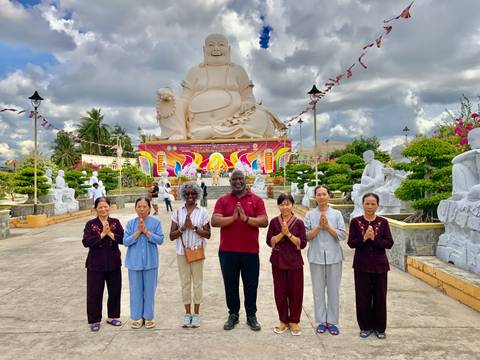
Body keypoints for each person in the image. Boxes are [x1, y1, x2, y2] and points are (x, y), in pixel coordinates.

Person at [156, 33, 283, 140]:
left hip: (233, 123)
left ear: (229, 49)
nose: (216, 48)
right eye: (211, 45)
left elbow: (249, 98)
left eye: (221, 45)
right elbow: (185, 100)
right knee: (168, 102)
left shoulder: (238, 70)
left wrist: (247, 103)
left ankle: (212, 132)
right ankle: (184, 133)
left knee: (260, 118)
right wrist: (169, 97)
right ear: (204, 50)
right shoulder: (194, 71)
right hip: (197, 125)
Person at [211, 170, 268, 331]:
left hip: (250, 251)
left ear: (245, 180)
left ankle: (251, 315)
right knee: (230, 284)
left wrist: (246, 219)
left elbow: (264, 221)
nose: (237, 182)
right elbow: (214, 220)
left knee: (251, 285)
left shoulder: (255, 200)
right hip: (228, 251)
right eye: (234, 179)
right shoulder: (223, 200)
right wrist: (233, 218)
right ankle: (233, 314)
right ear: (230, 182)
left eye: (240, 179)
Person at [347, 193, 394, 339]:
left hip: (380, 266)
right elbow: (351, 243)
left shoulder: (383, 222)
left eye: (373, 204)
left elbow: (389, 243)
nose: (370, 206)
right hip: (361, 266)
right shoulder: (355, 222)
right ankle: (365, 327)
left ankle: (380, 328)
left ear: (377, 205)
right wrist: (364, 238)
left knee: (380, 297)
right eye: (367, 203)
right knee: (363, 297)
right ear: (362, 204)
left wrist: (374, 239)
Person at [304, 185, 346, 336]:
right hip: (316, 257)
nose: (321, 197)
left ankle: (332, 321)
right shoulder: (309, 215)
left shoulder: (337, 214)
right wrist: (319, 227)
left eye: (324, 194)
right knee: (318, 291)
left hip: (334, 257)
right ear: (315, 197)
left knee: (334, 290)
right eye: (318, 194)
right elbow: (306, 236)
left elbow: (342, 235)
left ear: (329, 196)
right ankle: (322, 321)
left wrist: (327, 227)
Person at [169, 183, 211, 328]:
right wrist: (182, 228)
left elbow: (208, 234)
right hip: (182, 252)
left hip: (197, 251)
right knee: (185, 283)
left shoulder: (203, 212)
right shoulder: (177, 212)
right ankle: (187, 313)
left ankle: (197, 314)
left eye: (193, 193)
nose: (190, 196)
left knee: (198, 282)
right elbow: (171, 236)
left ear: (198, 194)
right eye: (187, 194)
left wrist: (193, 227)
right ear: (183, 195)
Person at [266, 193, 307, 336]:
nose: (285, 207)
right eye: (282, 204)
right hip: (278, 261)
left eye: (288, 204)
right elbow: (268, 241)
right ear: (278, 206)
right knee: (280, 292)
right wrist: (281, 234)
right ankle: (283, 320)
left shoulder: (299, 223)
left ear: (292, 205)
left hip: (294, 262)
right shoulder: (274, 222)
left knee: (296, 292)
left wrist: (288, 234)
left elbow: (302, 244)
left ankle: (294, 321)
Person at [82, 197, 124, 332]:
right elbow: (86, 242)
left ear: (110, 207)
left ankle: (112, 316)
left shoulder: (115, 222)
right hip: (95, 264)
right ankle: (94, 320)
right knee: (94, 293)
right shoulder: (90, 224)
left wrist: (110, 234)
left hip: (113, 263)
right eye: (100, 207)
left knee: (115, 290)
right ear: (95, 209)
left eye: (105, 206)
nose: (103, 209)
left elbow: (123, 239)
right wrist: (101, 235)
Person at [123, 197, 164, 329]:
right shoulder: (130, 224)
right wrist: (138, 232)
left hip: (151, 262)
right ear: (135, 208)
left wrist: (146, 232)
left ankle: (148, 317)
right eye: (139, 206)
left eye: (144, 206)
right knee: (135, 290)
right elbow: (126, 242)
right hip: (134, 263)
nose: (141, 209)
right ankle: (136, 317)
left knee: (149, 290)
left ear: (149, 208)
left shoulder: (155, 223)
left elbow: (160, 240)